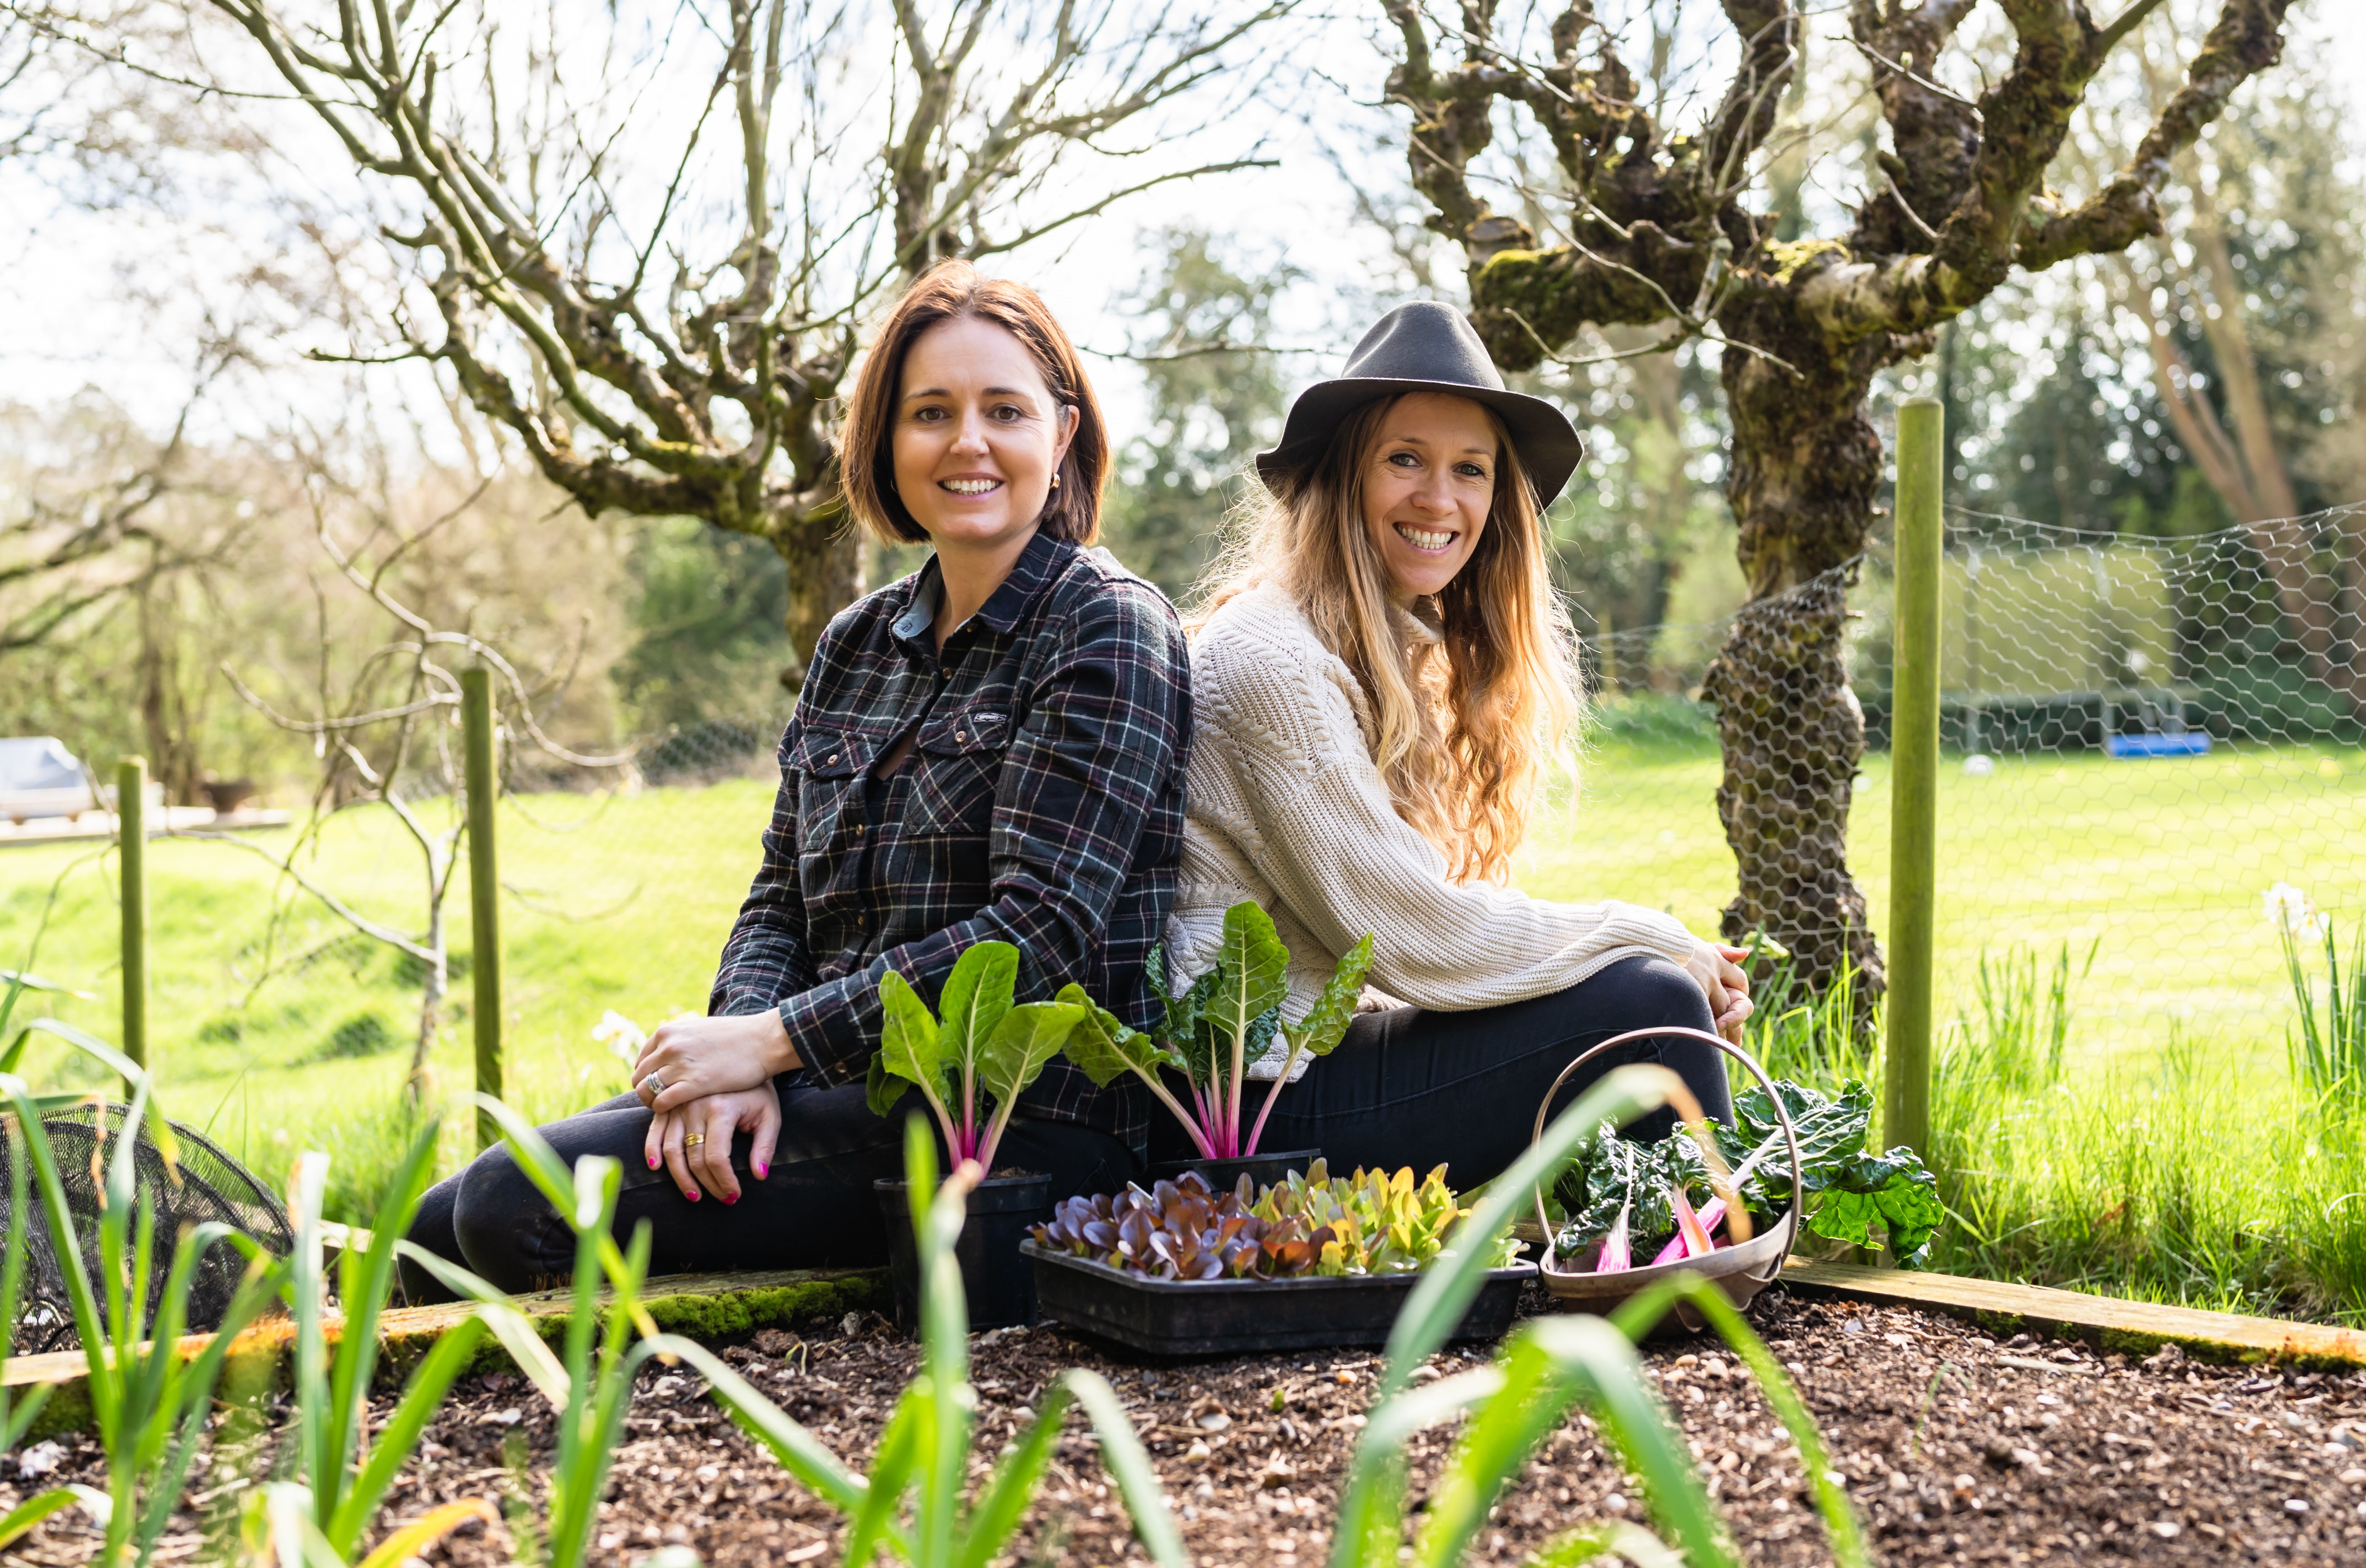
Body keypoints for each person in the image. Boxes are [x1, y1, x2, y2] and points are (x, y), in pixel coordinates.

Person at [404, 261, 1190, 1295]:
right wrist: (737, 1062)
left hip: (1019, 1124)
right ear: (886, 441)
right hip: (837, 1086)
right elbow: (781, 891)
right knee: (432, 1227)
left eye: (1005, 409)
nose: (967, 442)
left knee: (512, 1210)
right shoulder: (858, 644)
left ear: (1064, 435)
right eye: (930, 413)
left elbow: (1036, 932)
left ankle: (665, 1444)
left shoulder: (1107, 626)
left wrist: (772, 1046)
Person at [1153, 300, 1750, 1182]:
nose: (1441, 499)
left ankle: (1663, 1248)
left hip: (1308, 1076)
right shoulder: (1269, 658)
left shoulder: (1374, 651)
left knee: (1648, 1006)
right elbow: (1414, 935)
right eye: (1405, 460)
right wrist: (1656, 939)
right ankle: (1712, 1267)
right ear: (1340, 477)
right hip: (1240, 1114)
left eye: (1470, 470)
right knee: (1647, 1006)